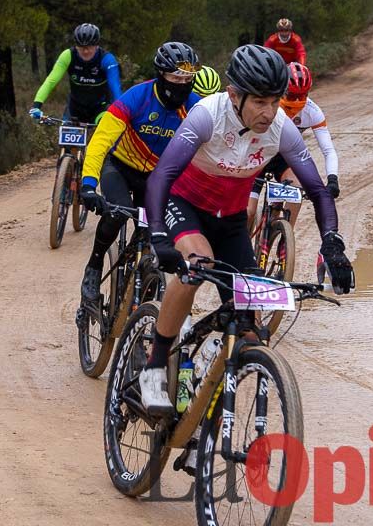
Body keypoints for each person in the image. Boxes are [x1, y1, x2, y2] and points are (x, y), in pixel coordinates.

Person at [138, 45, 354, 415]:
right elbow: (164, 174)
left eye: (275, 101)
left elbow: (316, 189)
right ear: (234, 95)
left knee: (250, 329)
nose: (269, 113)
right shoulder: (207, 116)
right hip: (185, 205)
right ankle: (155, 363)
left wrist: (332, 244)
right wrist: (158, 233)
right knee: (199, 267)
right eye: (259, 102)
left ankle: (205, 415)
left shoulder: (280, 129)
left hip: (232, 221)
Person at [75, 42, 201, 304]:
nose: (182, 84)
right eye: (176, 77)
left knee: (153, 232)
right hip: (120, 167)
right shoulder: (137, 97)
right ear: (161, 75)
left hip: (155, 179)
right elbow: (100, 141)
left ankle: (143, 288)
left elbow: (209, 150)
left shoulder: (194, 107)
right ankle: (94, 267)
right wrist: (88, 184)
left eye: (187, 79)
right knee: (117, 211)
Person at [247, 62, 340, 232]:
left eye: (302, 96)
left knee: (296, 190)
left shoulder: (313, 112)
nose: (296, 101)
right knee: (248, 212)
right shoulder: (267, 105)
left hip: (283, 159)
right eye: (291, 95)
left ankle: (285, 238)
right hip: (257, 157)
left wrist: (333, 179)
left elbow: (328, 150)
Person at [28, 23, 123, 124]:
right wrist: (36, 106)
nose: (85, 51)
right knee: (66, 135)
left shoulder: (107, 59)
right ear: (76, 45)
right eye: (81, 47)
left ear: (97, 45)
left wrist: (122, 112)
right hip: (75, 109)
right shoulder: (67, 55)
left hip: (100, 108)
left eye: (89, 47)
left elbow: (115, 88)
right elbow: (50, 81)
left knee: (104, 133)